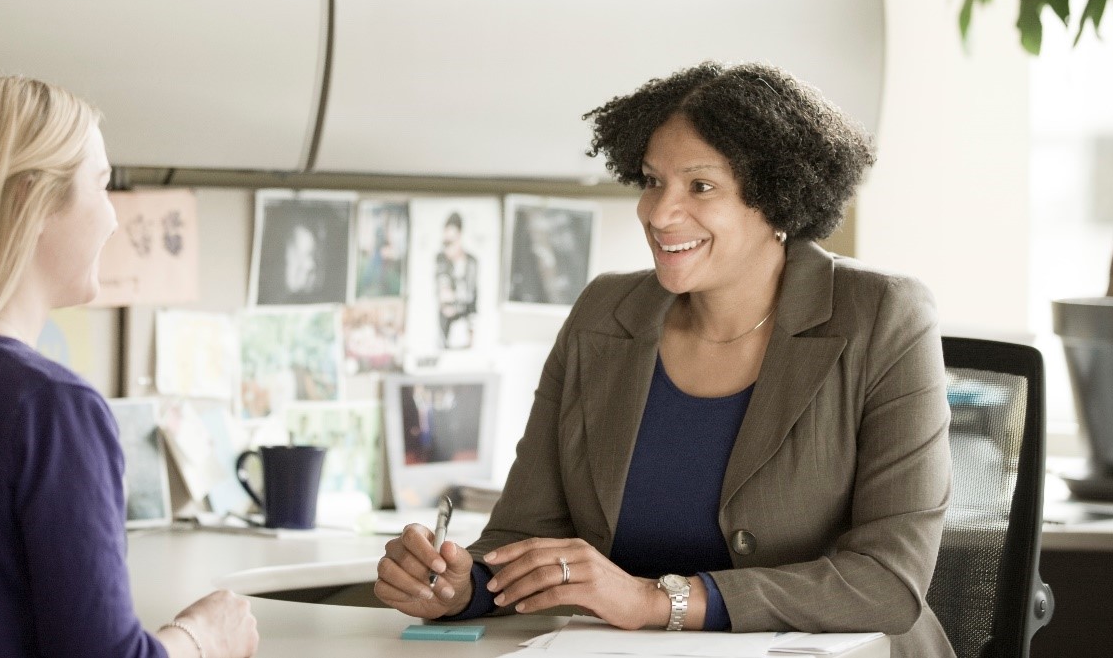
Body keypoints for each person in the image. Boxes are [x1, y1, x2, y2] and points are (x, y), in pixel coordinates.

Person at [374, 61, 954, 658]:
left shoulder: (882, 314)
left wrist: (656, 601)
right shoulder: (605, 312)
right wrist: (456, 586)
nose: (658, 212)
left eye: (700, 187)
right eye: (653, 181)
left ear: (778, 199)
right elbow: (525, 537)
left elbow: (887, 581)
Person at [0, 75, 259, 658]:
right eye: (102, 187)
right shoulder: (49, 409)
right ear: (26, 202)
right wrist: (202, 639)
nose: (113, 219)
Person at [435, 212, 479, 348]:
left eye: (450, 242)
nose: (447, 248)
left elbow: (472, 297)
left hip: (466, 328)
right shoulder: (441, 260)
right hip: (446, 331)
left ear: (460, 237)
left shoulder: (472, 263)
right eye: (444, 243)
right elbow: (444, 295)